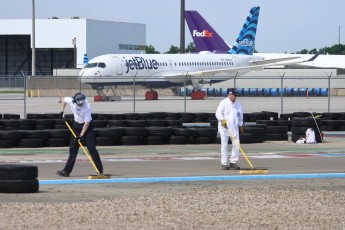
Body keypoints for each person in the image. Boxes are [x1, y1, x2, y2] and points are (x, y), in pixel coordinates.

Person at [56, 92, 104, 177]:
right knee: (73, 149)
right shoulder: (71, 101)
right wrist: (62, 111)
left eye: (82, 102)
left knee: (91, 148)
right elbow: (63, 100)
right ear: (75, 101)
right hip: (76, 126)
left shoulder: (87, 107)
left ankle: (100, 170)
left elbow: (86, 123)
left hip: (87, 128)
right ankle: (66, 171)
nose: (81, 104)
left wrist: (81, 135)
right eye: (79, 103)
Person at [215, 88, 244, 170]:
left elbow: (240, 116)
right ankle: (224, 163)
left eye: (235, 95)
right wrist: (222, 119)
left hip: (234, 128)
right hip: (225, 128)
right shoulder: (224, 103)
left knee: (236, 144)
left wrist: (241, 125)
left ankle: (233, 162)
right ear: (229, 95)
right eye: (233, 95)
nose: (235, 97)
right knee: (224, 146)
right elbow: (218, 113)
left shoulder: (238, 104)